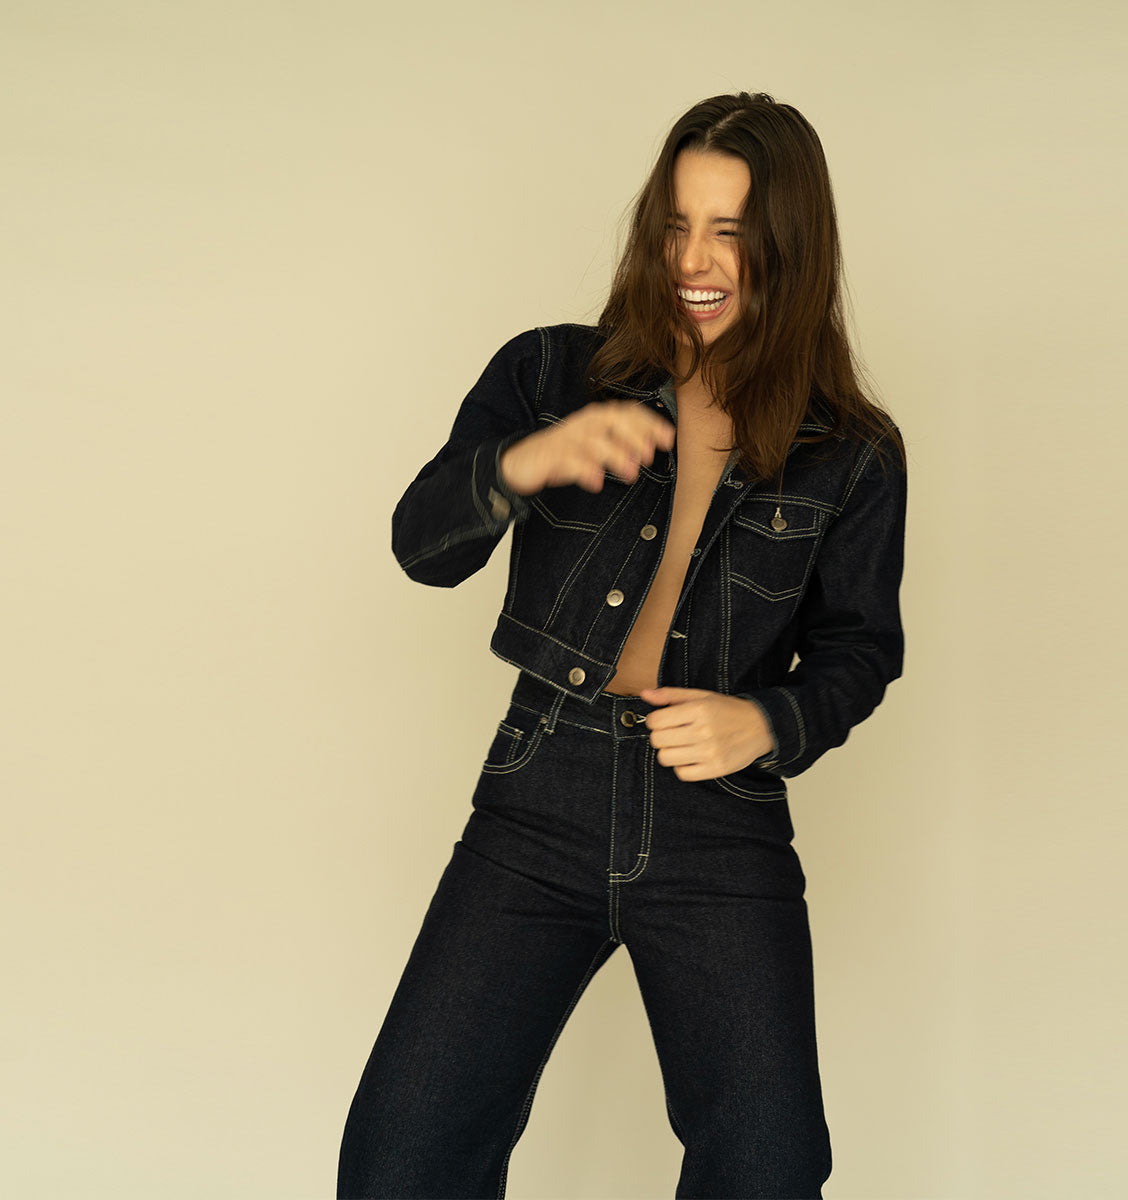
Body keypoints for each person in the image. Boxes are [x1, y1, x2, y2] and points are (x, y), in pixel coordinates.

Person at [337, 92, 907, 1200]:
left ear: (790, 248)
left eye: (731, 232)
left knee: (770, 1169)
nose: (694, 260)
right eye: (677, 224)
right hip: (537, 796)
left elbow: (860, 649)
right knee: (402, 1155)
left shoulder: (853, 453)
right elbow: (420, 547)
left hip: (720, 824)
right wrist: (521, 465)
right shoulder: (551, 374)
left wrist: (771, 721)